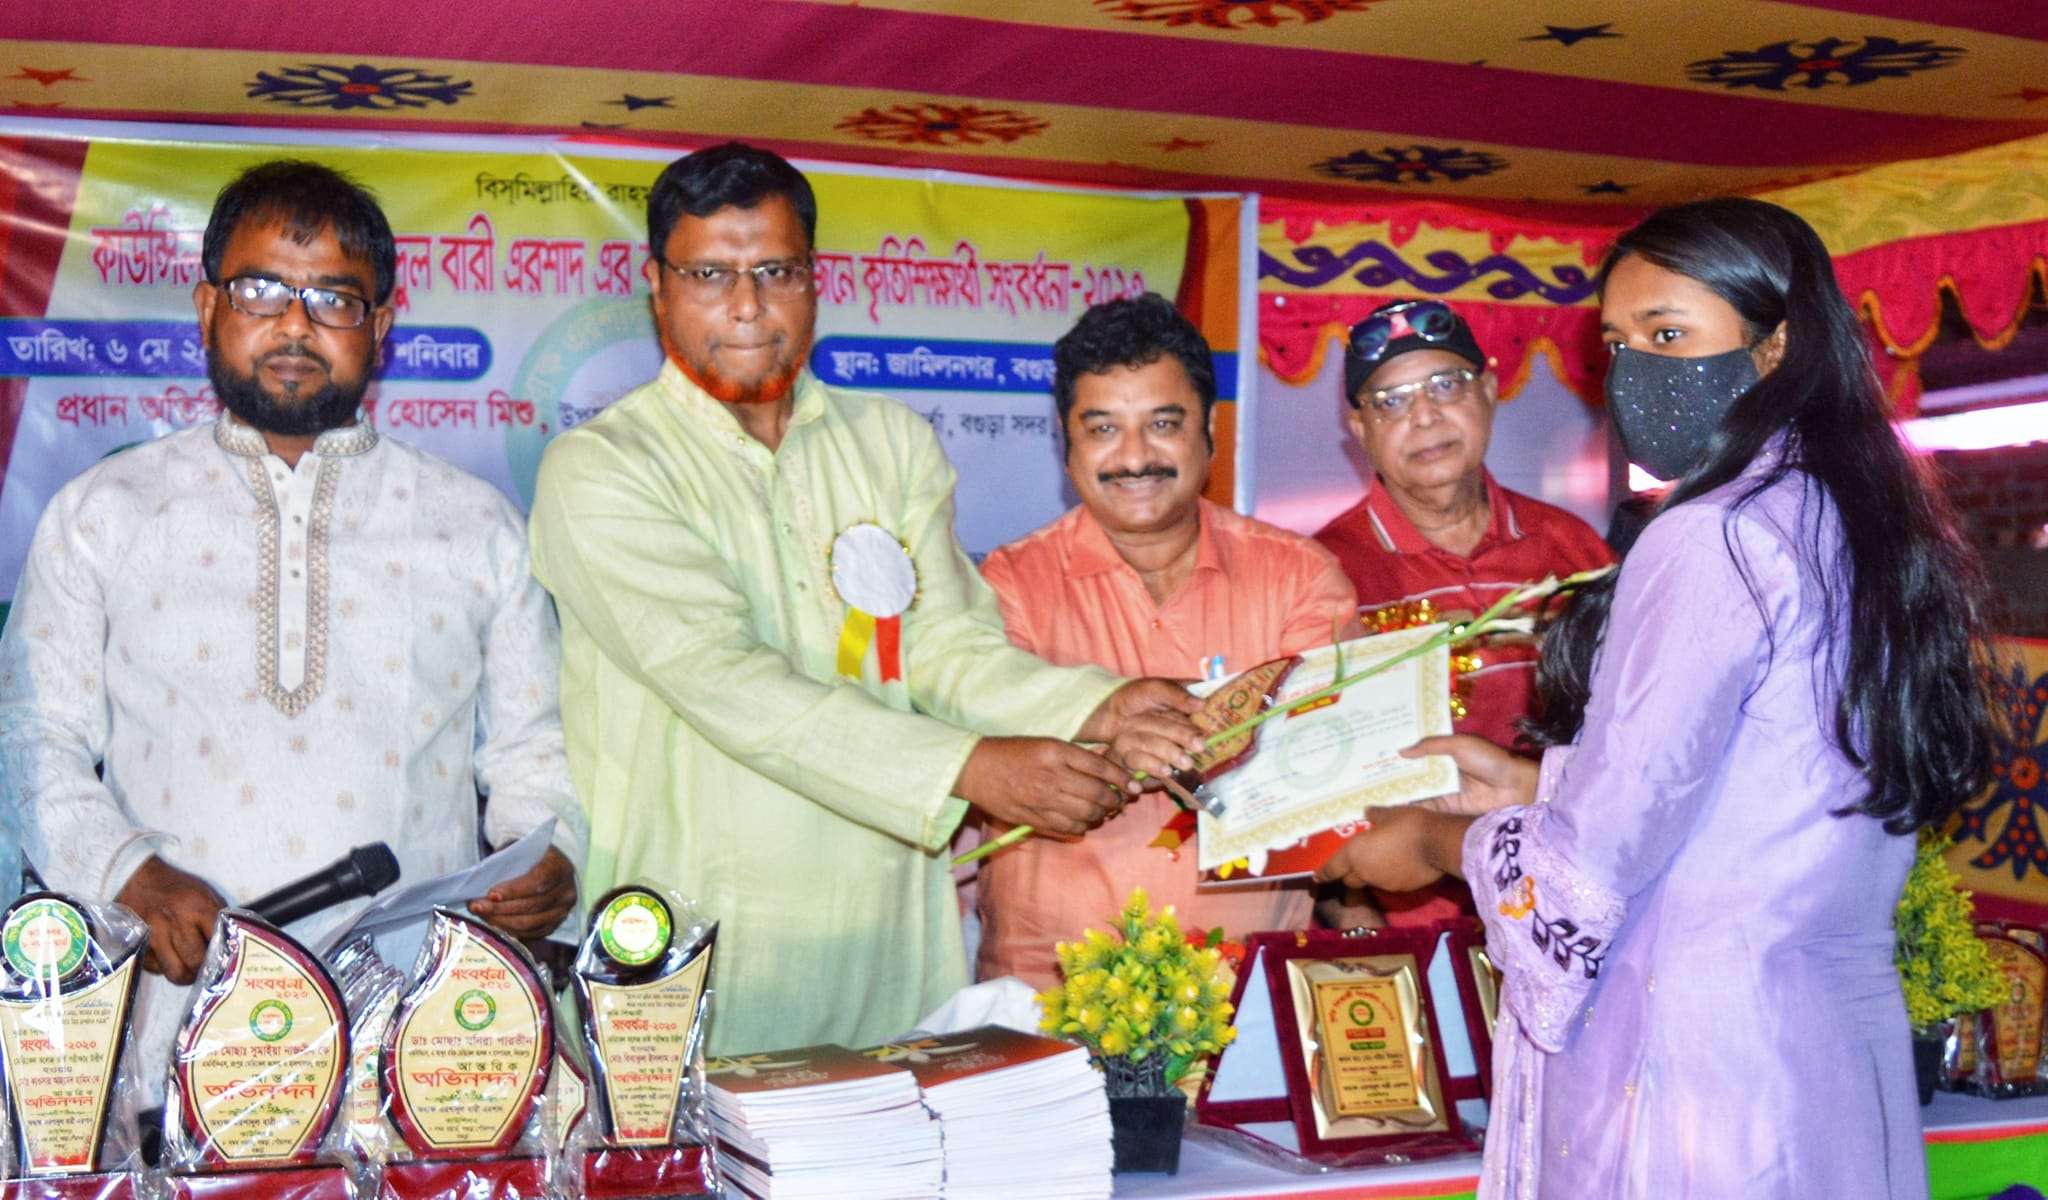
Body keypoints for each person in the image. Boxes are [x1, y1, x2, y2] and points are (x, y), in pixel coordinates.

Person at [1316, 198, 2002, 1198]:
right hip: (1830, 1054)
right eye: (1618, 343)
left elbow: (1587, 874)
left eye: (1667, 335)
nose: (1635, 371)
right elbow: (1754, 789)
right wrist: (1526, 784)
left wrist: (1426, 843)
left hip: (1702, 1071)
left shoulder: (1710, 533)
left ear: (1774, 346)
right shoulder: (1853, 518)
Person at [527, 144, 1203, 1055]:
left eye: (775, 271)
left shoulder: (889, 443)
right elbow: (722, 678)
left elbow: (947, 648)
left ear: (814, 280)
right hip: (694, 950)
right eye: (710, 274)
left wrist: (1102, 706)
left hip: (888, 944)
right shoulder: (602, 467)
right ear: (657, 287)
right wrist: (971, 768)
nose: (746, 305)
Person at [0, 160, 587, 1095]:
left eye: (334, 300)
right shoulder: (102, 512)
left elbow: (533, 749)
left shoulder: (475, 524)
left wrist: (549, 858)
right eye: (262, 291)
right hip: (181, 1017)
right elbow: (33, 738)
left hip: (424, 1032)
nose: (295, 326)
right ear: (207, 306)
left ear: (381, 328)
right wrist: (127, 875)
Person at [974, 294, 1358, 988]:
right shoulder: (1008, 586)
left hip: (1248, 995)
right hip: (1048, 995)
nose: (1134, 457)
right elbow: (990, 764)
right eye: (1103, 429)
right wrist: (1109, 751)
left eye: (1162, 424)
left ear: (1207, 430)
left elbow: (1331, 767)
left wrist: (1204, 746)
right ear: (1066, 443)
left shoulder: (1298, 577)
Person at [1314, 301, 1613, 927]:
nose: (1425, 416)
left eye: (1446, 386)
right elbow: (1310, 779)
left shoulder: (1574, 552)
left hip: (1572, 913)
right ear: (1358, 428)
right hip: (1410, 927)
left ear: (1490, 391)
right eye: (1391, 401)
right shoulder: (1323, 573)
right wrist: (1359, 926)